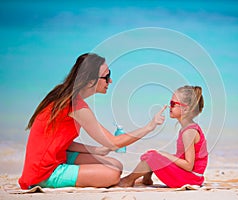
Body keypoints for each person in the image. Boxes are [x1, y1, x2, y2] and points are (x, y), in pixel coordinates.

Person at [18, 53, 166, 189]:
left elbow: (60, 141)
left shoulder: (63, 94)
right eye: (107, 76)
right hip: (43, 172)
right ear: (90, 82)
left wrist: (97, 150)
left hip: (55, 158)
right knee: (112, 174)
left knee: (116, 164)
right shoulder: (75, 106)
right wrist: (150, 126)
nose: (111, 80)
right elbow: (114, 142)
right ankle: (121, 182)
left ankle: (120, 178)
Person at [119, 85, 208, 188]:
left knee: (152, 157)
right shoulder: (186, 128)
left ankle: (128, 180)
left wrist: (166, 155)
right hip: (190, 176)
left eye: (173, 104)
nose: (170, 107)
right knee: (152, 154)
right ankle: (146, 179)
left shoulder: (189, 132)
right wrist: (163, 155)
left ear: (186, 109)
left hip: (191, 179)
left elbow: (188, 165)